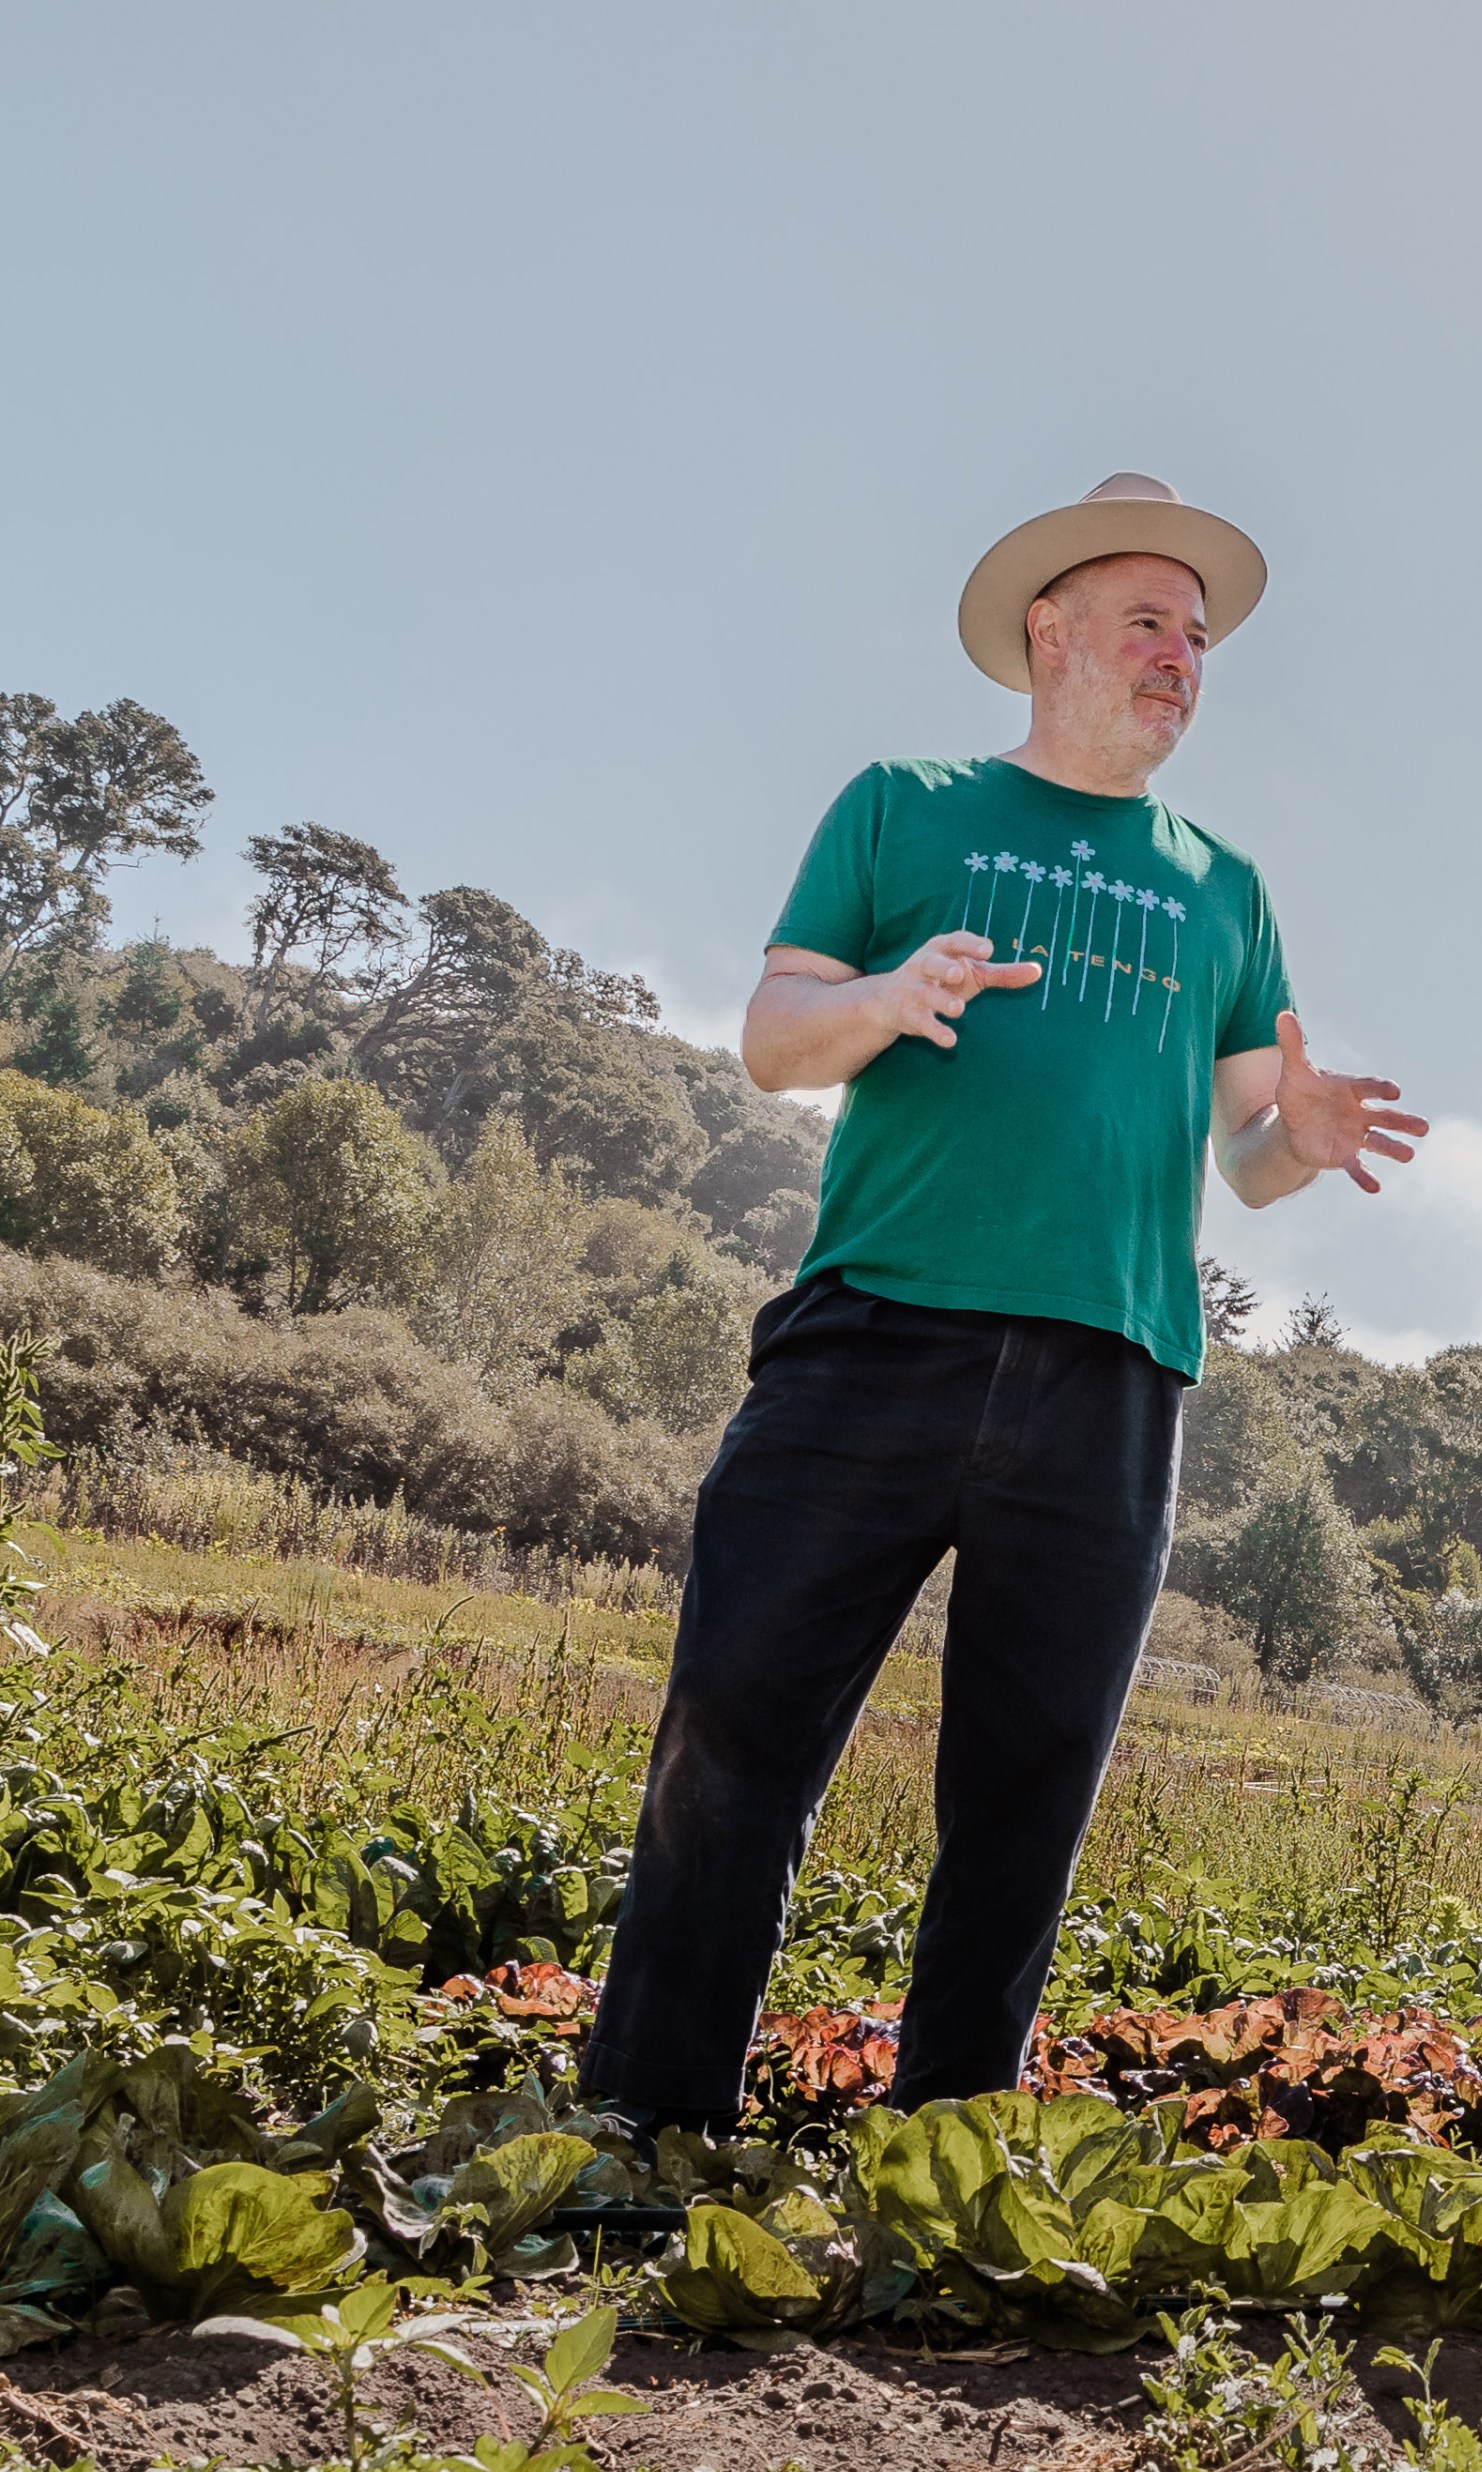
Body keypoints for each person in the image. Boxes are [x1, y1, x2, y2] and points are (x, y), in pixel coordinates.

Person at [577, 474, 1425, 2132]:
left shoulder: (1223, 885)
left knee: (1028, 1796)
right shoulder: (904, 806)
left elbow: (1245, 1156)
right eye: (1149, 623)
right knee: (733, 1738)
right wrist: (890, 998)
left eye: (1197, 635)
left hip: (1113, 1378)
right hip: (874, 1339)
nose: (1183, 657)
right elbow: (770, 1039)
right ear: (1051, 633)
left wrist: (1301, 1143)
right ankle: (647, 2129)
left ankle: (948, 2158)